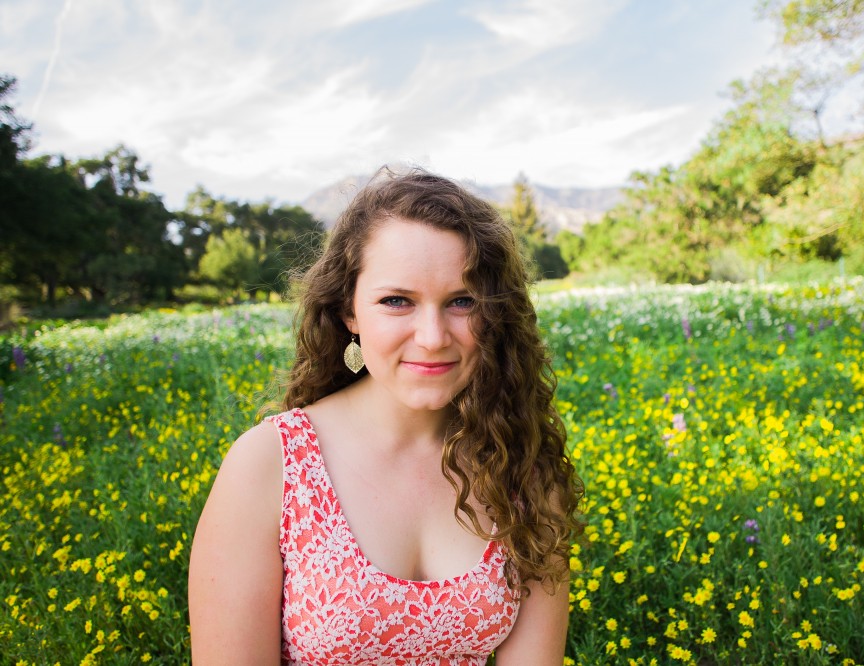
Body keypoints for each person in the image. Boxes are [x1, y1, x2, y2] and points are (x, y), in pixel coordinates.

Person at [188, 168, 583, 664]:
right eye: (397, 301)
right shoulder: (272, 464)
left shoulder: (520, 467)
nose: (434, 336)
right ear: (349, 310)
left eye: (462, 301)